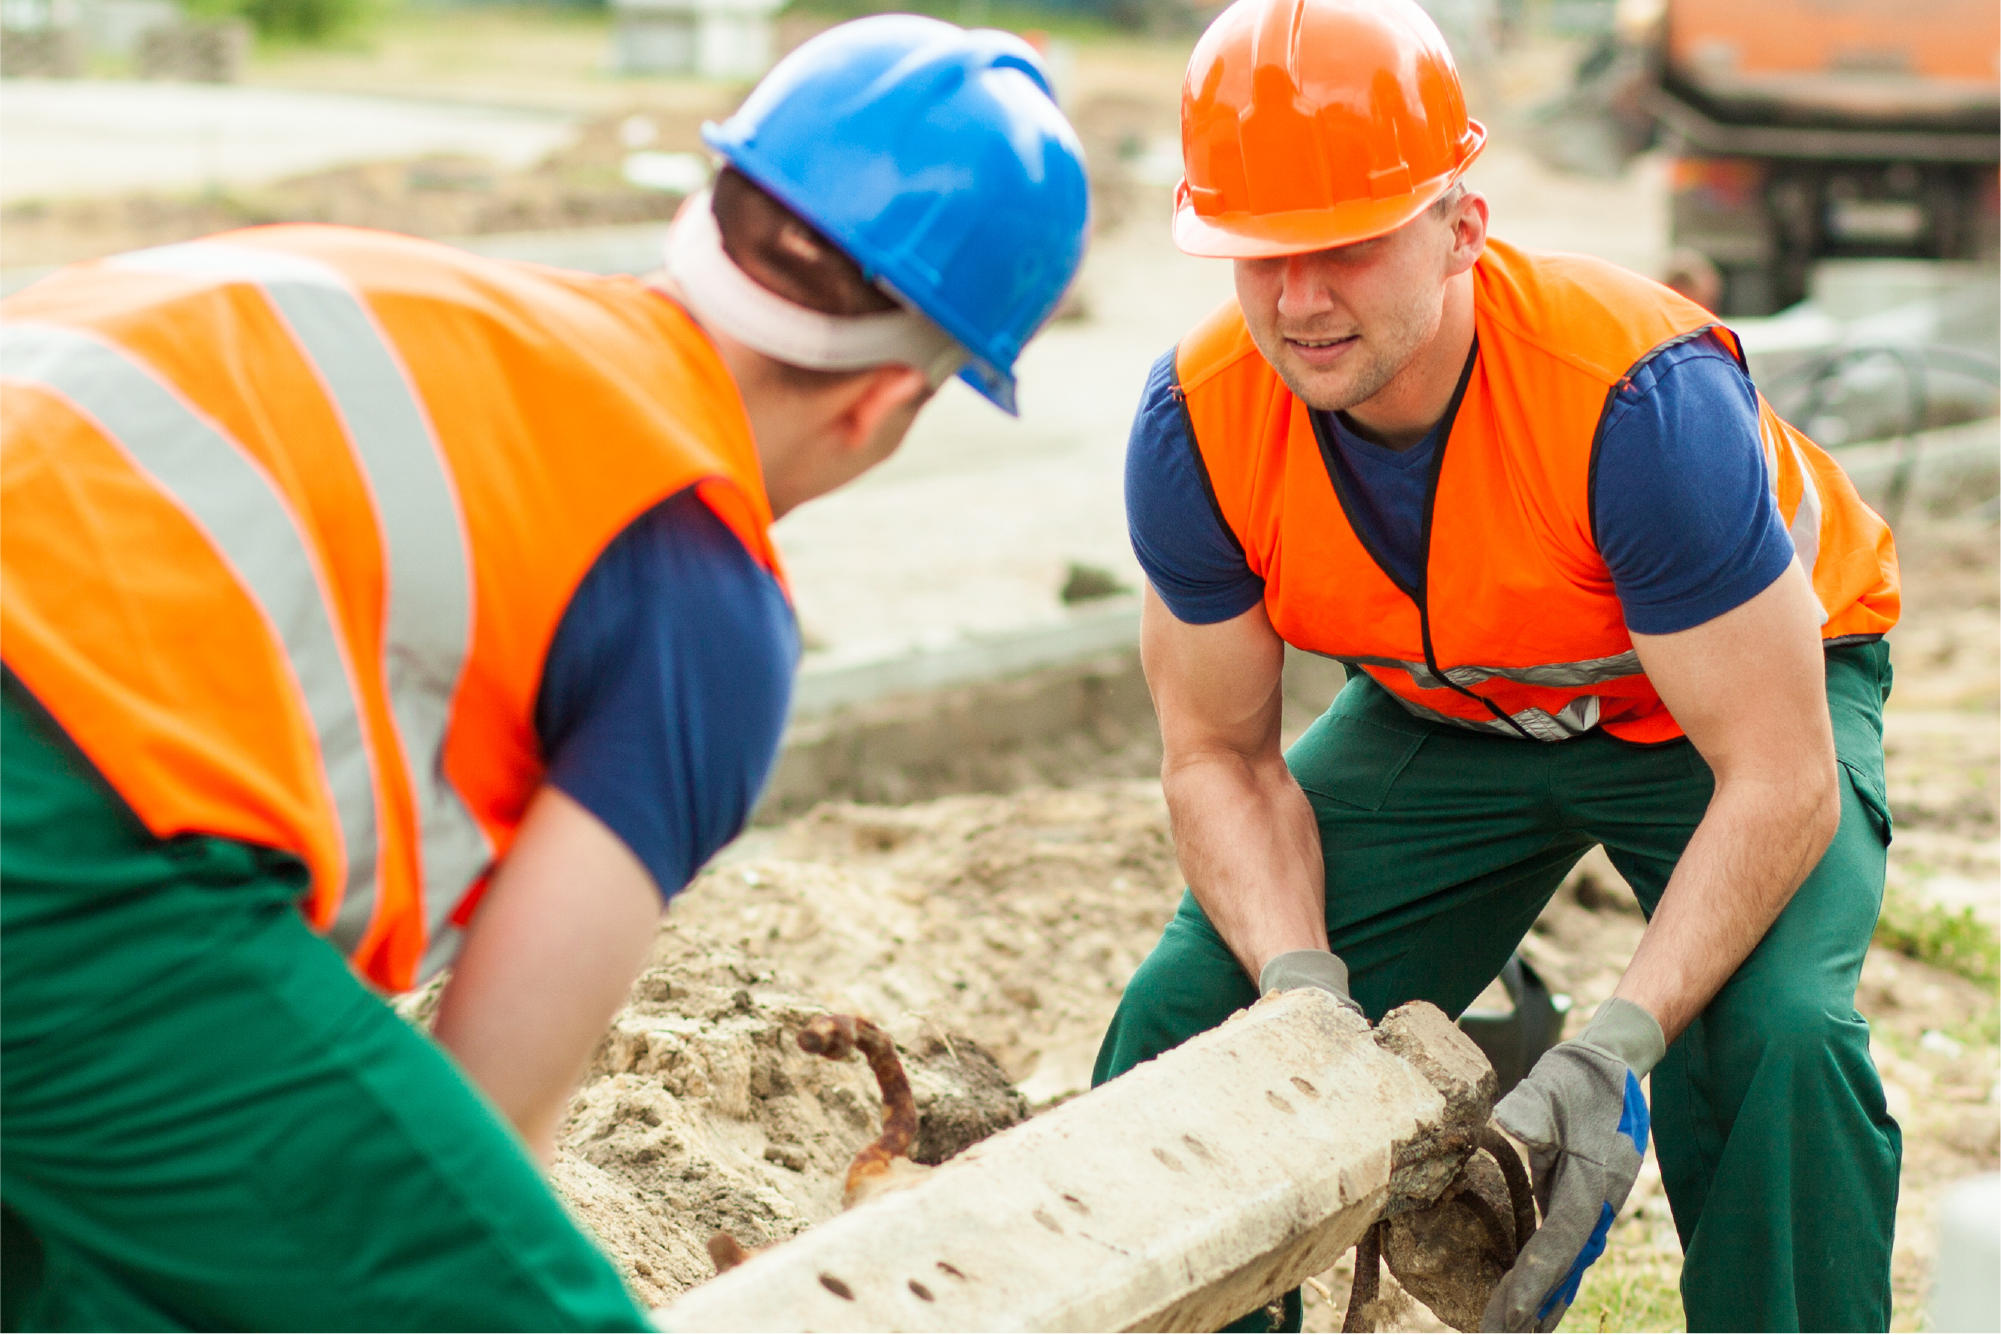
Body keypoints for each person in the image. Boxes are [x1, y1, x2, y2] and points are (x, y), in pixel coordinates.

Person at [0, 16, 1088, 1329]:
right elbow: (484, 1108)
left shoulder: (456, 324)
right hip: (57, 843)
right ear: (883, 406)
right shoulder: (704, 582)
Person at [1096, 0, 1901, 1329]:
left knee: (1777, 1044)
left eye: (1345, 247)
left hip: (1718, 723)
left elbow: (1778, 772)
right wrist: (1301, 995)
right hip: (1455, 710)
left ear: (1460, 226)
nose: (1297, 300)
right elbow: (1218, 759)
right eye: (1258, 252)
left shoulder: (1632, 402)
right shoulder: (1199, 424)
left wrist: (1613, 1051)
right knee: (1193, 1019)